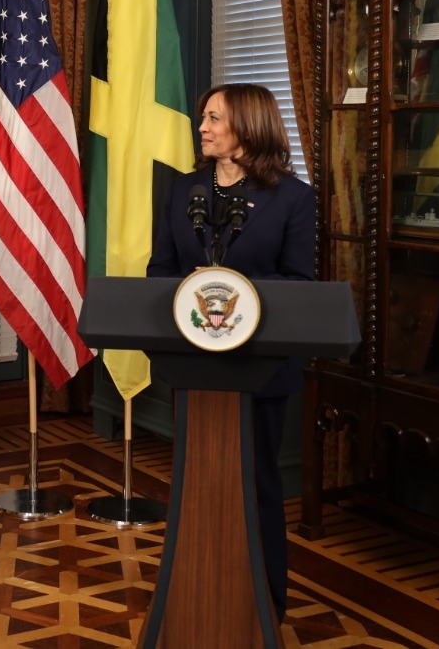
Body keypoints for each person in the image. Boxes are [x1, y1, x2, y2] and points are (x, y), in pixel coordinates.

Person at [147, 83, 315, 618]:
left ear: (247, 125)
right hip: (192, 363)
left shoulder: (292, 197)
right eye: (203, 117)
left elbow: (299, 283)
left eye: (214, 117)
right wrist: (187, 290)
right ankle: (194, 592)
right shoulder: (183, 190)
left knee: (257, 479)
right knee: (197, 480)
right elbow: (160, 270)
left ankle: (265, 603)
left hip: (260, 368)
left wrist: (234, 291)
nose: (203, 127)